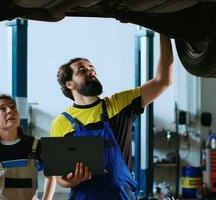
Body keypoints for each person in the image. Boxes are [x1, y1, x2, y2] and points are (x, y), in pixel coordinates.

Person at [50, 34, 173, 199]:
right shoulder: (61, 123)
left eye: (91, 68)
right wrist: (73, 180)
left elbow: (163, 81)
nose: (90, 71)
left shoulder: (118, 103)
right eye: (82, 70)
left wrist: (164, 33)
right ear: (69, 84)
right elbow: (60, 178)